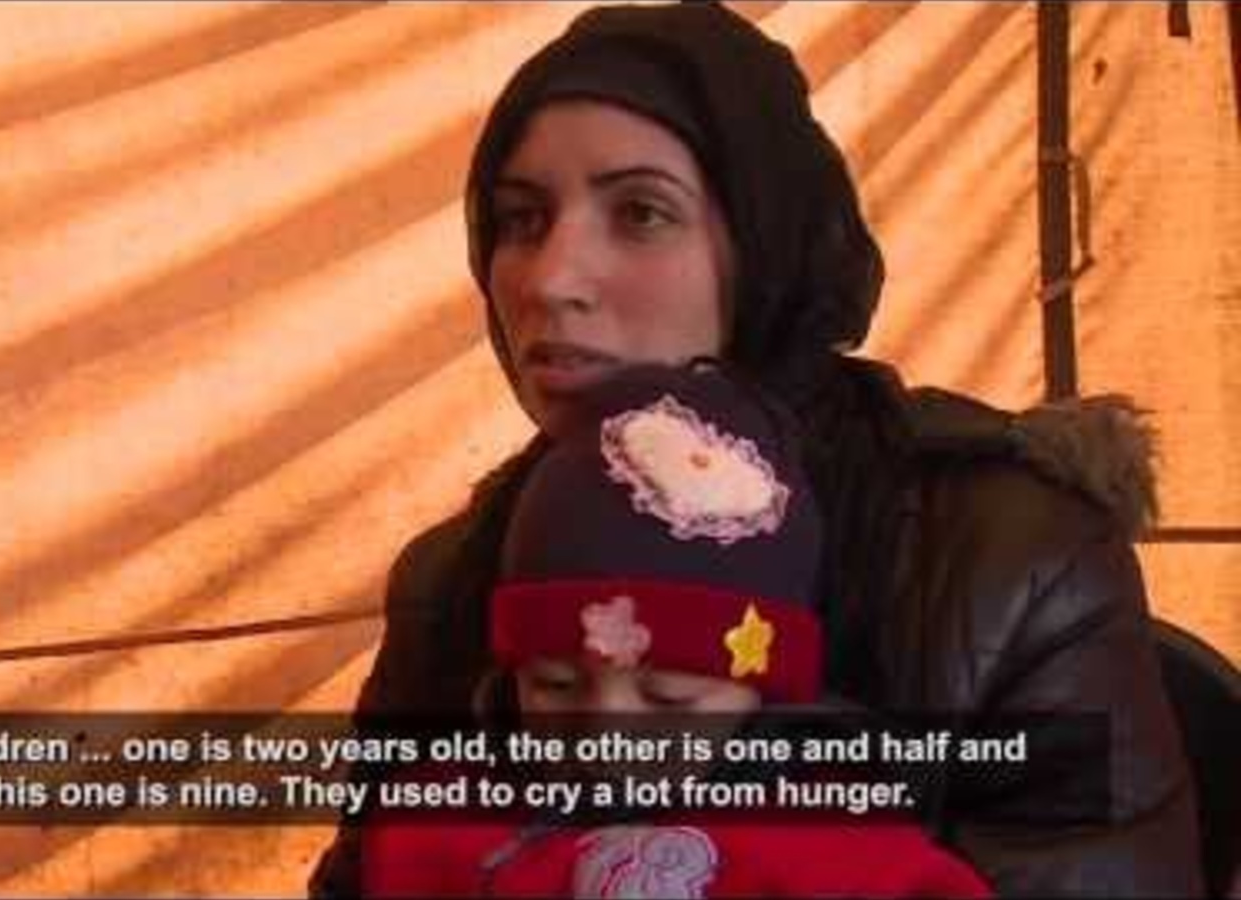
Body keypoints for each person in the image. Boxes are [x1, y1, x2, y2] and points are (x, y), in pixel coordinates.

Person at [311, 3, 1201, 896]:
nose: (550, 279)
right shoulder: (457, 577)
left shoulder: (1014, 562)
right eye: (521, 219)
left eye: (640, 212)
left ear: (763, 240)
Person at [360, 363, 992, 897]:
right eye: (554, 684)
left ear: (764, 695)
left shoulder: (840, 847)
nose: (603, 734)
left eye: (668, 697)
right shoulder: (434, 823)